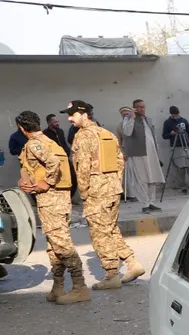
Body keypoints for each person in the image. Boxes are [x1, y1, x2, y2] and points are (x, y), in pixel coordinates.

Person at [64, 100, 144, 290]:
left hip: (96, 192)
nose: (69, 119)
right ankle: (132, 263)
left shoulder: (82, 136)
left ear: (84, 115)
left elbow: (82, 169)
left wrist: (83, 194)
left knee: (99, 234)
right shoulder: (106, 133)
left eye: (73, 114)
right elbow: (120, 161)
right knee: (110, 229)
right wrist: (114, 182)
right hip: (112, 189)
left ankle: (111, 275)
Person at [16, 110, 88, 304]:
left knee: (62, 244)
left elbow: (53, 163)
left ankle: (80, 287)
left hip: (51, 199)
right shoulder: (50, 141)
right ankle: (58, 286)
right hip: (58, 199)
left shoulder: (35, 144)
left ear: (22, 128)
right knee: (53, 245)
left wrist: (46, 182)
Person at [121, 99, 166, 212]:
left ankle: (151, 202)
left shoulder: (148, 119)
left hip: (151, 153)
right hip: (137, 153)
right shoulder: (128, 119)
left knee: (153, 178)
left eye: (143, 107)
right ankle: (144, 204)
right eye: (138, 107)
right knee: (141, 179)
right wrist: (131, 117)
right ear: (134, 108)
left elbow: (153, 136)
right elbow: (127, 132)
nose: (141, 109)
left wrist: (157, 152)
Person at [161, 105, 189, 193]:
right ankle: (183, 187)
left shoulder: (184, 121)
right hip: (176, 147)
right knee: (180, 168)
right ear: (171, 114)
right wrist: (171, 134)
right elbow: (164, 135)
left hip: (186, 145)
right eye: (173, 115)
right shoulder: (167, 122)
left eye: (176, 114)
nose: (175, 116)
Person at [44, 113, 78, 200]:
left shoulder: (60, 131)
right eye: (55, 122)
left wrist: (67, 151)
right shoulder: (45, 134)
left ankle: (69, 197)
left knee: (73, 177)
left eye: (57, 121)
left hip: (65, 158)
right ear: (49, 123)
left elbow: (63, 144)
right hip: (55, 160)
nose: (57, 123)